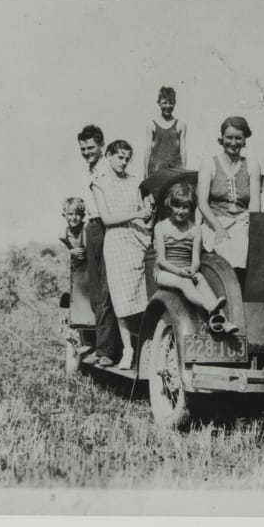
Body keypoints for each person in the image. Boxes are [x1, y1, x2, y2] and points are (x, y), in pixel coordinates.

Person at [91, 140, 154, 370]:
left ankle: (143, 348)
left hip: (138, 240)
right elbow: (107, 219)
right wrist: (137, 213)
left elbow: (143, 215)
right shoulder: (99, 184)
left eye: (127, 158)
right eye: (119, 157)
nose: (124, 162)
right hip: (116, 241)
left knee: (142, 295)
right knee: (121, 298)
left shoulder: (136, 182)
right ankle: (127, 350)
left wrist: (147, 211)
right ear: (108, 156)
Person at [153, 182, 238, 334]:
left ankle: (223, 321)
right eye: (177, 206)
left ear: (191, 208)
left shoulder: (195, 230)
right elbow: (162, 261)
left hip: (185, 271)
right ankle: (208, 306)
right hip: (165, 272)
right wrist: (180, 272)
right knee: (184, 282)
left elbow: (195, 260)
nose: (181, 211)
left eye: (185, 207)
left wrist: (191, 270)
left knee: (200, 278)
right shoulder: (161, 227)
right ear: (170, 205)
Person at [196, 116, 261, 280]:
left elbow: (254, 203)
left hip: (242, 221)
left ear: (245, 140)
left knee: (248, 245)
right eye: (229, 137)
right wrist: (218, 227)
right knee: (225, 247)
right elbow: (202, 203)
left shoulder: (252, 165)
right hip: (215, 221)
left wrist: (253, 229)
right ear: (221, 139)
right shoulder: (209, 163)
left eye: (238, 138)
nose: (233, 142)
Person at [77, 125, 119, 367]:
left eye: (90, 148)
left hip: (108, 227)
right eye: (82, 149)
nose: (86, 152)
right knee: (95, 290)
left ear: (102, 146)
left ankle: (107, 351)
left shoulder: (109, 168)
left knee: (105, 290)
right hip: (92, 227)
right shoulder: (87, 172)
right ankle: (99, 344)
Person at [143, 86, 188, 178]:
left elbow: (183, 150)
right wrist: (145, 171)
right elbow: (147, 150)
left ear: (175, 103)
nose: (168, 106)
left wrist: (184, 170)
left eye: (171, 103)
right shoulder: (152, 124)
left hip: (175, 167)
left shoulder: (180, 124)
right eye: (164, 103)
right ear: (158, 103)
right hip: (156, 168)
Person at [58, 197, 88, 272]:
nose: (74, 217)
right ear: (64, 216)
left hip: (90, 268)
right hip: (75, 271)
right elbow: (61, 254)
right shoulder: (63, 235)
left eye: (78, 214)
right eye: (70, 214)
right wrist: (71, 252)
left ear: (83, 216)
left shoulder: (86, 229)